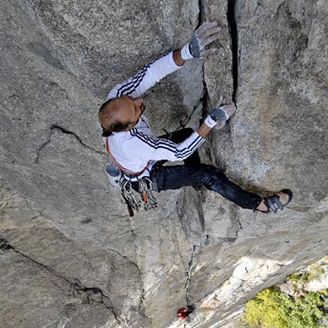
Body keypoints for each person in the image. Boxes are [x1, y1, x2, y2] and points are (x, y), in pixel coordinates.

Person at [98, 22, 292, 213]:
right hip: (148, 175)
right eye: (135, 109)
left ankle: (193, 177)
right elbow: (180, 153)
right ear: (129, 126)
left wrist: (186, 52)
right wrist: (211, 120)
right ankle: (259, 205)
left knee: (187, 134)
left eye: (131, 99)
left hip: (133, 159)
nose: (139, 100)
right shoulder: (135, 143)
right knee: (209, 174)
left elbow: (150, 74)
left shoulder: (118, 99)